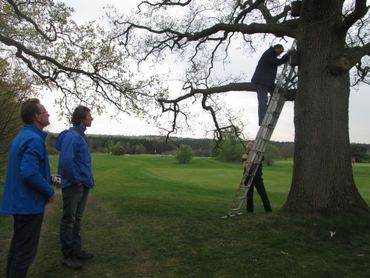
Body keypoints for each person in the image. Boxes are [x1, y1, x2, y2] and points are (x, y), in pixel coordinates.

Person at [0, 98, 55, 278]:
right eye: (44, 111)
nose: (48, 114)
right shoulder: (33, 139)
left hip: (20, 202)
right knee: (24, 253)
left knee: (18, 249)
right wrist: (49, 191)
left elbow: (29, 169)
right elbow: (29, 172)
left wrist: (51, 180)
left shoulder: (21, 137)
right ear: (37, 117)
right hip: (28, 205)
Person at [55, 105, 94, 270]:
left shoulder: (80, 136)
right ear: (82, 118)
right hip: (73, 186)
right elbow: (66, 161)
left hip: (82, 185)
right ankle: (68, 256)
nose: (92, 118)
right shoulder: (72, 136)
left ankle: (76, 250)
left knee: (76, 219)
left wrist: (83, 182)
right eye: (89, 115)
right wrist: (76, 180)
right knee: (69, 220)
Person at [251, 44, 289, 125]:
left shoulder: (271, 54)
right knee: (263, 101)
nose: (280, 53)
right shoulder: (268, 54)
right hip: (261, 82)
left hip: (267, 82)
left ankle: (269, 111)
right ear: (276, 48)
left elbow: (277, 61)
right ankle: (262, 120)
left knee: (275, 95)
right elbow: (278, 62)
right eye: (280, 51)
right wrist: (287, 55)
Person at [242, 142, 272, 213]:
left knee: (263, 194)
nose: (250, 148)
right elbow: (245, 165)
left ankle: (268, 210)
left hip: (257, 178)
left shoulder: (259, 155)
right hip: (248, 178)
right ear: (247, 148)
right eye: (249, 147)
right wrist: (249, 162)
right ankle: (249, 211)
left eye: (251, 147)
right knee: (249, 195)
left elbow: (261, 158)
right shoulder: (245, 155)